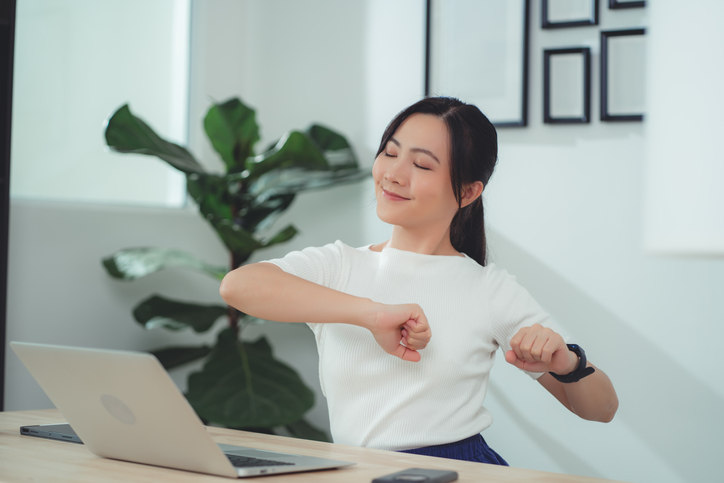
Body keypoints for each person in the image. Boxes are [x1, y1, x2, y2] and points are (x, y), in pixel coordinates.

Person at [219, 97, 618, 465]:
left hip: (457, 470)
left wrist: (567, 361)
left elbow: (602, 409)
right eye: (390, 153)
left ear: (467, 192)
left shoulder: (488, 289)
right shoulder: (339, 266)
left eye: (422, 165)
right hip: (358, 469)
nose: (393, 173)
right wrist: (372, 314)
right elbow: (238, 287)